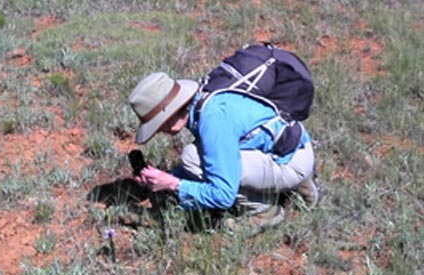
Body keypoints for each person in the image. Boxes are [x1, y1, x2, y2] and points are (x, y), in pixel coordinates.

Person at [127, 71, 319, 224]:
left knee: (193, 157)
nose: (159, 130)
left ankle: (264, 210)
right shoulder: (206, 100)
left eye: (157, 124)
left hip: (291, 163)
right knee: (199, 157)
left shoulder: (213, 120)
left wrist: (173, 184)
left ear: (167, 118)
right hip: (293, 148)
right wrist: (168, 176)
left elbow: (223, 195)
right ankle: (299, 185)